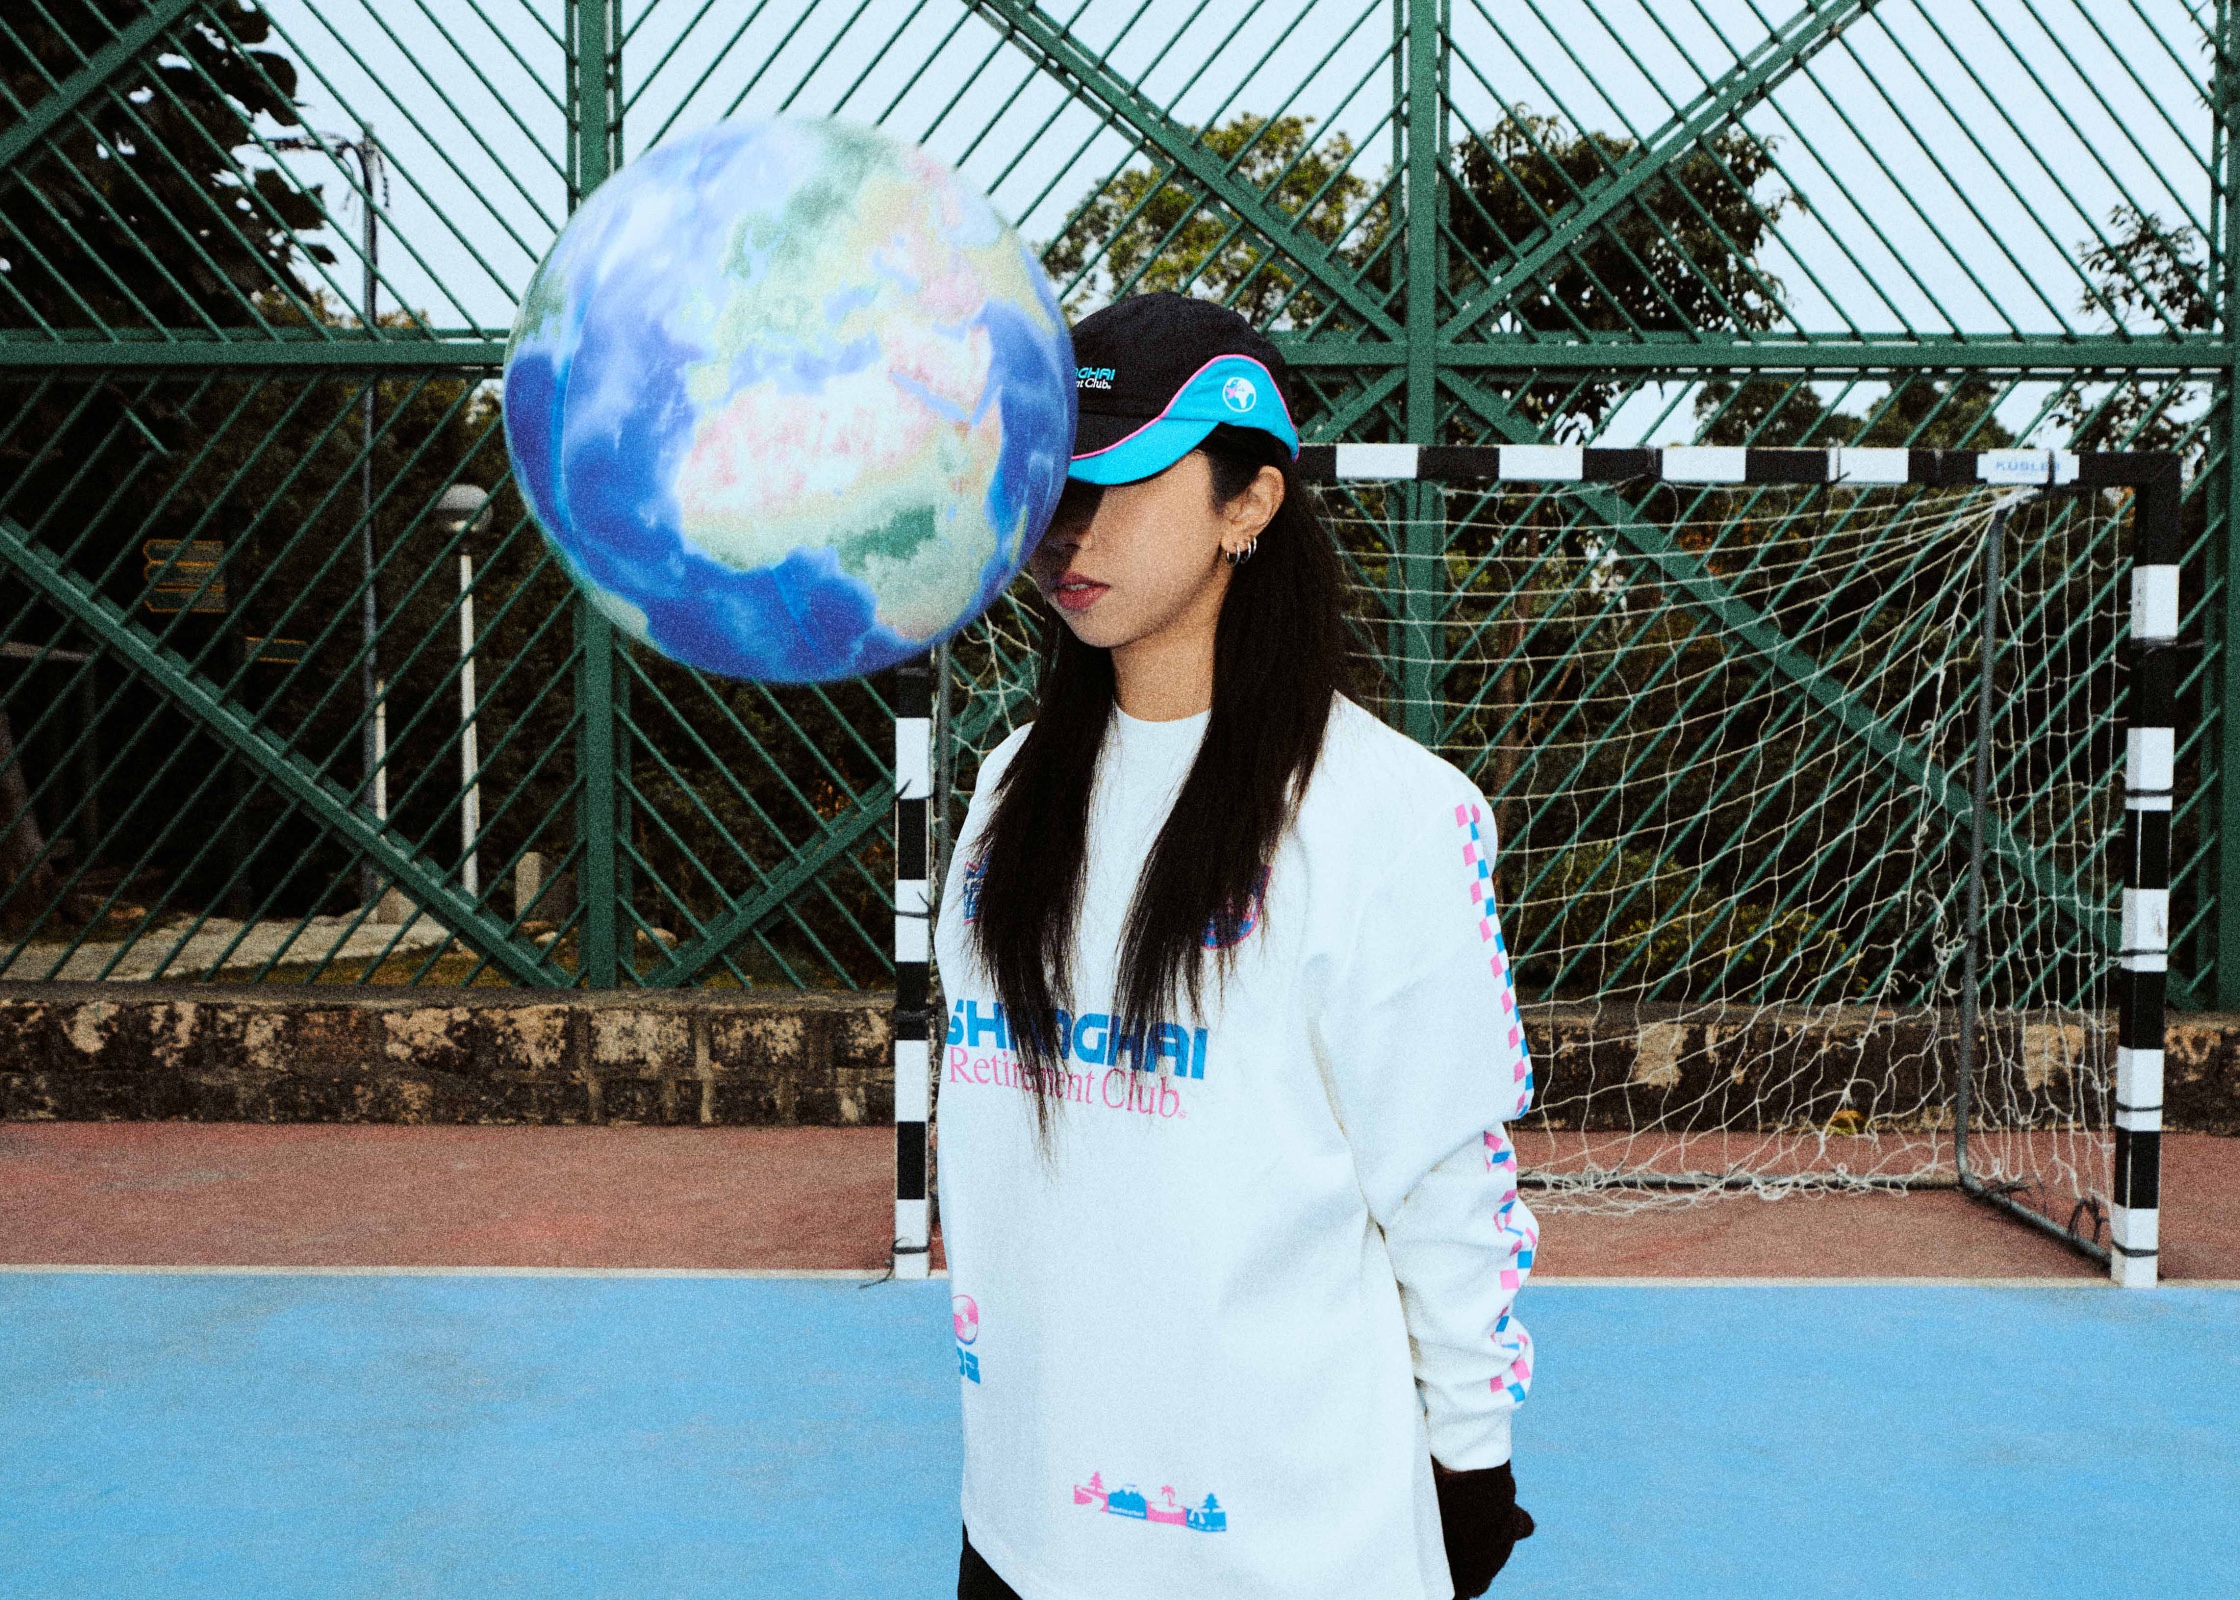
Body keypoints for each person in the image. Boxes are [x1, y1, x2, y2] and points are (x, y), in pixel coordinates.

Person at [934, 293, 1538, 1600]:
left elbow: (1447, 1183)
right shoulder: (1006, 794)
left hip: (1284, 1550)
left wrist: (1472, 1466)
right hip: (1027, 1531)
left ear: (1248, 503)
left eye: (1119, 479)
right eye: (1051, 485)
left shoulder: (1385, 815)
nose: (1068, 525)